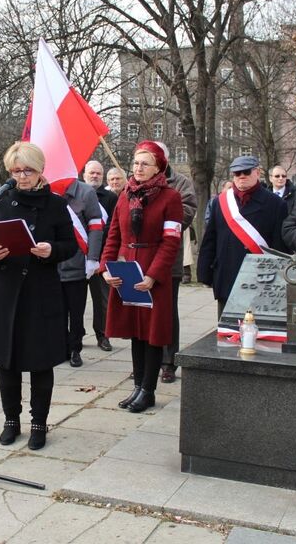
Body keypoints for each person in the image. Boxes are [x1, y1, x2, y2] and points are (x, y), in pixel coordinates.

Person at [0, 142, 77, 450]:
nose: (22, 177)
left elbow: (70, 245)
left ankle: (38, 423)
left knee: (39, 362)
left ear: (40, 170)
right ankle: (11, 420)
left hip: (39, 292)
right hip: (4, 291)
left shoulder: (55, 204)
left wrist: (51, 250)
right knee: (7, 362)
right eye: (16, 171)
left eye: (28, 171)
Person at [102, 141, 183, 412]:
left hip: (152, 273)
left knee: (152, 334)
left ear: (158, 167)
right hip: (127, 270)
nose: (138, 168)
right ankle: (137, 387)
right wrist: (106, 268)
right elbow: (113, 235)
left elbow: (171, 242)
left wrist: (153, 275)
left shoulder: (170, 197)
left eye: (145, 163)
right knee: (135, 333)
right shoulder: (125, 194)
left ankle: (148, 390)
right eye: (136, 163)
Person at [197, 156, 287, 317]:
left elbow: (279, 244)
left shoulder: (275, 203)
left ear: (257, 172)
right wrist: (204, 272)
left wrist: (279, 276)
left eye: (246, 172)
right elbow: (210, 239)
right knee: (227, 327)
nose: (241, 176)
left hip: (261, 277)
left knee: (259, 326)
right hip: (227, 273)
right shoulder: (220, 202)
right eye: (237, 173)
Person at [142, 142, 197, 384]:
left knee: (166, 313)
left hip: (168, 260)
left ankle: (168, 362)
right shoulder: (136, 184)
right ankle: (145, 363)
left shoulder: (181, 184)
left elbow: (185, 214)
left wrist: (153, 216)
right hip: (141, 258)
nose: (142, 165)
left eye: (152, 158)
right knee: (142, 313)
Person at [58, 177, 103, 368]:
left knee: (76, 311)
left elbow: (95, 226)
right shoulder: (46, 190)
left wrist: (92, 257)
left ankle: (75, 348)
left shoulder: (86, 192)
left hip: (76, 262)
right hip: (51, 262)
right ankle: (60, 347)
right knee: (56, 311)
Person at [83, 160, 117, 352]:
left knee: (103, 300)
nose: (95, 176)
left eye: (98, 173)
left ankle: (103, 335)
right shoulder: (76, 195)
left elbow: (113, 226)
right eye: (92, 173)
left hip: (101, 255)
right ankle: (74, 337)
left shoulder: (110, 197)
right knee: (75, 301)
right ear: (84, 175)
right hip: (79, 255)